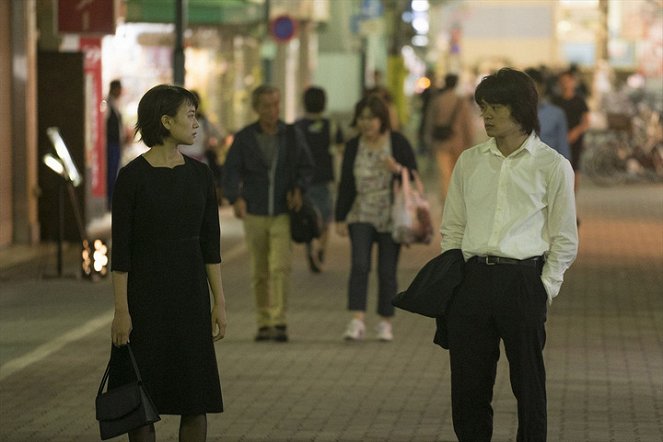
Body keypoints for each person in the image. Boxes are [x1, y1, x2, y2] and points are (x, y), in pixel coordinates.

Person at [440, 68, 578, 441]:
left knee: (529, 386)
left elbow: (565, 237)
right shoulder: (469, 162)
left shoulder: (552, 165)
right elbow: (452, 228)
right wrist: (455, 278)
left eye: (495, 108)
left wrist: (544, 286)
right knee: (468, 387)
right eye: (483, 107)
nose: (485, 116)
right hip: (472, 283)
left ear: (520, 110)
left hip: (522, 282)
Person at [109, 85, 227, 442]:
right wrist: (121, 311)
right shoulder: (132, 178)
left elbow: (211, 246)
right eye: (189, 115)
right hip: (146, 299)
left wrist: (219, 302)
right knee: (141, 398)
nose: (196, 123)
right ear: (165, 121)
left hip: (190, 297)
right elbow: (122, 252)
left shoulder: (200, 176)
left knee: (195, 399)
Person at [222, 85, 314, 342]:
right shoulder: (245, 138)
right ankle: (263, 321)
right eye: (266, 106)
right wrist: (236, 198)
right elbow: (230, 171)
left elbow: (307, 167)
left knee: (280, 267)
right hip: (255, 211)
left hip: (284, 212)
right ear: (256, 108)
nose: (272, 111)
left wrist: (299, 188)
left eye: (276, 104)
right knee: (259, 270)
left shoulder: (292, 135)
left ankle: (279, 320)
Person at [335, 94, 417, 342]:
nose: (367, 124)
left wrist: (397, 170)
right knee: (359, 265)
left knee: (387, 270)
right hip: (361, 213)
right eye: (362, 118)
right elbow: (346, 183)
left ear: (382, 120)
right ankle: (357, 320)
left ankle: (385, 322)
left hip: (391, 216)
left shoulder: (397, 142)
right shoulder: (353, 145)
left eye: (372, 118)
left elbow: (413, 175)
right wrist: (340, 216)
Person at [295, 86, 343, 273]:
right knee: (326, 218)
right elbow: (340, 152)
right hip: (325, 179)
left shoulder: (297, 127)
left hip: (304, 181)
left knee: (307, 217)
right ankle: (320, 248)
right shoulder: (331, 125)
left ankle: (310, 248)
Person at [423, 73, 474, 202]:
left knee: (444, 174)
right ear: (456, 83)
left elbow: (429, 121)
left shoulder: (437, 100)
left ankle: (446, 200)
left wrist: (428, 139)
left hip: (441, 142)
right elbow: (467, 124)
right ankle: (457, 200)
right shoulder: (461, 101)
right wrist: (470, 141)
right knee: (457, 173)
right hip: (459, 142)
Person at [553, 69, 590, 193]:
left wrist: (576, 132)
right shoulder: (555, 101)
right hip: (558, 140)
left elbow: (586, 122)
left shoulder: (580, 101)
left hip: (575, 140)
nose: (565, 84)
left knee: (574, 169)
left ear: (573, 82)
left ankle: (572, 203)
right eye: (562, 81)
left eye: (567, 81)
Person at [525, 67, 571, 160]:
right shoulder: (513, 114)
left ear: (542, 87)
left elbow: (563, 147)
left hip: (548, 168)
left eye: (533, 87)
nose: (527, 92)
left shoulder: (556, 114)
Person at [105, 79, 125, 209]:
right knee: (111, 172)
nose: (120, 92)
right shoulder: (107, 104)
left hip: (116, 144)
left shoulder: (115, 104)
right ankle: (109, 202)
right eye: (119, 89)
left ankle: (112, 200)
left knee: (115, 171)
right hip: (111, 144)